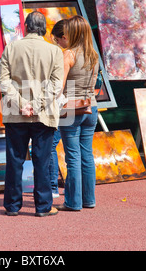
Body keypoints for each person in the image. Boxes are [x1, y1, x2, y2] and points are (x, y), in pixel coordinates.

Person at [0, 11, 64, 217]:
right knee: (42, 160)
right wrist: (35, 106)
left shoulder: (11, 48)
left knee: (14, 159)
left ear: (26, 26)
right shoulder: (55, 51)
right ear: (44, 28)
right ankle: (43, 206)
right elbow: (56, 86)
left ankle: (12, 206)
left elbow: (4, 82)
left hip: (15, 114)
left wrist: (21, 104)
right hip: (43, 114)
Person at [57, 15, 99, 211]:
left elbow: (59, 85)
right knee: (87, 155)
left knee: (72, 156)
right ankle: (89, 199)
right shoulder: (93, 54)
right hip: (91, 107)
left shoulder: (69, 54)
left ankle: (73, 202)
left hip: (72, 110)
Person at [49, 19, 69, 198]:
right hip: (82, 106)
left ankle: (53, 186)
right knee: (76, 150)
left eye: (57, 40)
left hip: (63, 105)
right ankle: (77, 191)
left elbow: (59, 86)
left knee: (51, 145)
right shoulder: (87, 52)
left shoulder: (66, 55)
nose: (57, 44)